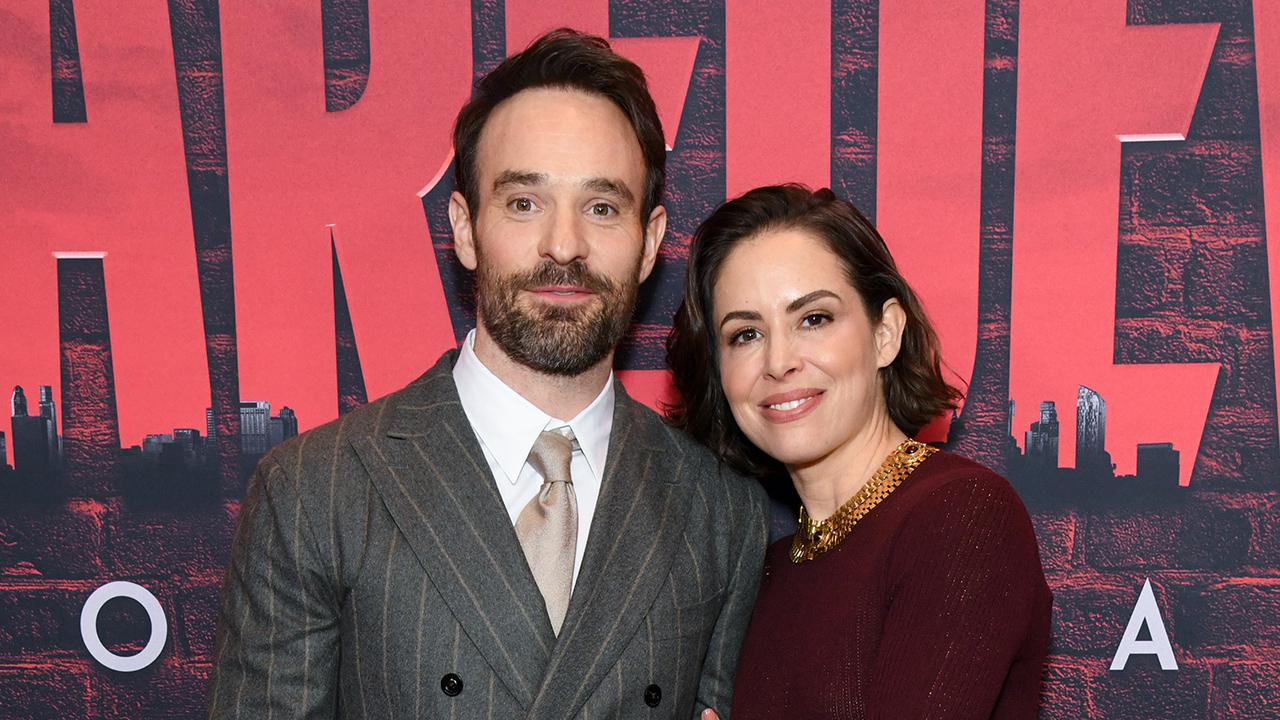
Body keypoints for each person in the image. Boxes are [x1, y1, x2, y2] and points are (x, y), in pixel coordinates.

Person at [207, 29, 768, 720]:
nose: (564, 244)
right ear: (465, 229)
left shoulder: (719, 513)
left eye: (601, 207)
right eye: (524, 202)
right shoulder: (316, 492)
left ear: (649, 242)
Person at [667, 185, 1051, 719]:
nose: (778, 362)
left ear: (885, 333)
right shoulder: (763, 568)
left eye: (813, 319)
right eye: (746, 334)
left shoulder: (961, 517)